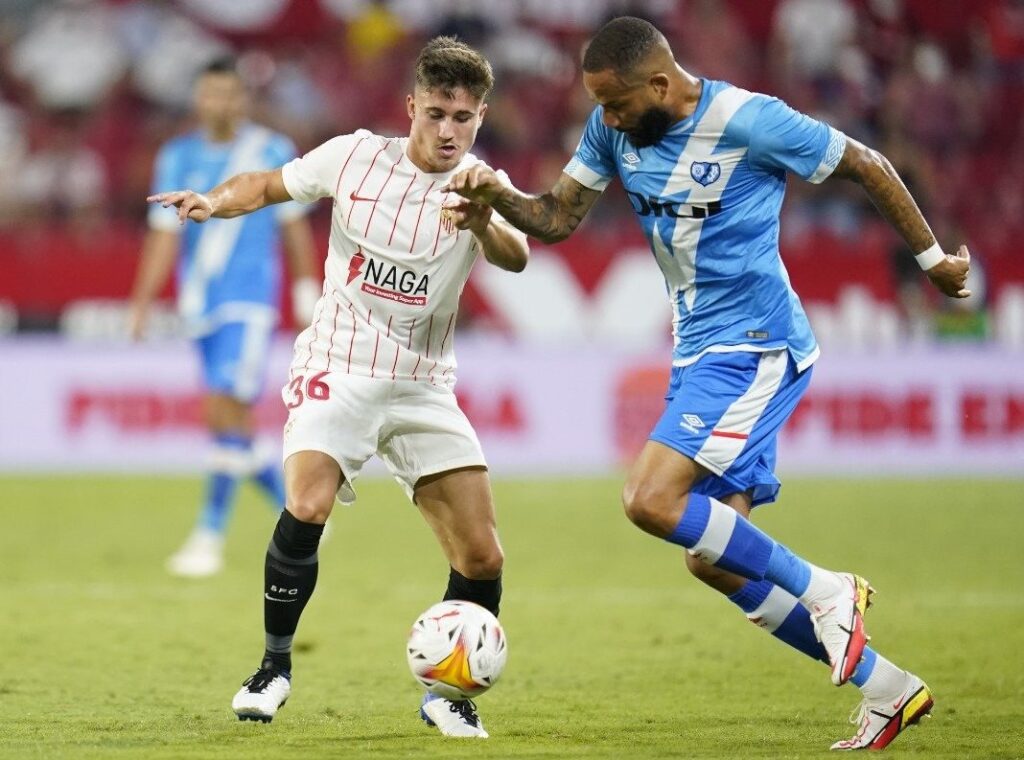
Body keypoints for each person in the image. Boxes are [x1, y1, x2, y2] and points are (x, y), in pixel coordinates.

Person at [443, 16, 970, 751]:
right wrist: (494, 196)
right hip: (698, 352)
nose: (608, 119)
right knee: (712, 558)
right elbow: (557, 218)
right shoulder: (612, 129)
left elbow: (868, 163)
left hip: (757, 346)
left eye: (618, 104)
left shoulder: (748, 121)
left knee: (649, 499)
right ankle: (887, 688)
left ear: (660, 84)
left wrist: (932, 259)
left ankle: (827, 589)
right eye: (601, 106)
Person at [148, 37, 528, 738]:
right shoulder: (353, 156)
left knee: (483, 556)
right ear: (411, 106)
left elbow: (519, 254)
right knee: (308, 501)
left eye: (464, 118)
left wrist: (483, 220)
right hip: (339, 364)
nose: (449, 131)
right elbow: (266, 185)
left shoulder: (482, 185)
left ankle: (448, 695)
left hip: (422, 385)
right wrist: (212, 200)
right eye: (437, 113)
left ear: (481, 117)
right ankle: (273, 668)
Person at [131, 59, 321, 578]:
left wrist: (306, 292)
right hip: (200, 304)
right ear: (198, 98)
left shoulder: (270, 150)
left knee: (223, 409)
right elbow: (163, 235)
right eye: (211, 93)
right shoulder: (177, 155)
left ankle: (208, 537)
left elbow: (293, 226)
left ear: (243, 99)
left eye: (229, 94)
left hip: (250, 302)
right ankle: (299, 511)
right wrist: (142, 302)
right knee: (231, 421)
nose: (220, 103)